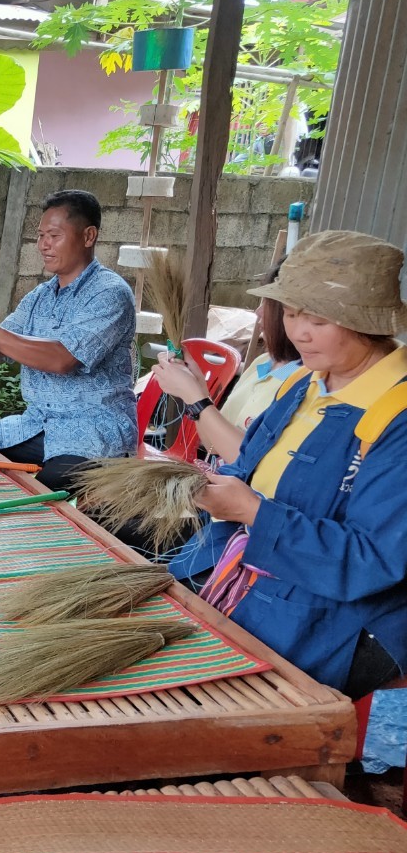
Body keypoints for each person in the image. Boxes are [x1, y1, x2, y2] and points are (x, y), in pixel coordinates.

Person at [168, 230, 407, 698]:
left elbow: (374, 560)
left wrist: (255, 513)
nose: (298, 332)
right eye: (292, 314)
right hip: (246, 569)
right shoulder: (302, 384)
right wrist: (213, 492)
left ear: (366, 323)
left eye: (317, 319)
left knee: (202, 704)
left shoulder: (395, 415)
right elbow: (248, 467)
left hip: (340, 614)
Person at [0, 190, 136, 492]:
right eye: (40, 236)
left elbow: (63, 360)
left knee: (43, 490)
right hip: (39, 424)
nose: (43, 245)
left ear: (88, 236)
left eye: (54, 235)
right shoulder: (40, 296)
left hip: (94, 433)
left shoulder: (110, 293)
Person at [149, 256, 301, 464]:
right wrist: (197, 386)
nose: (258, 312)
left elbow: (249, 461)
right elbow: (211, 444)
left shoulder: (303, 383)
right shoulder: (263, 363)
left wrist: (194, 396)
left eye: (269, 304)